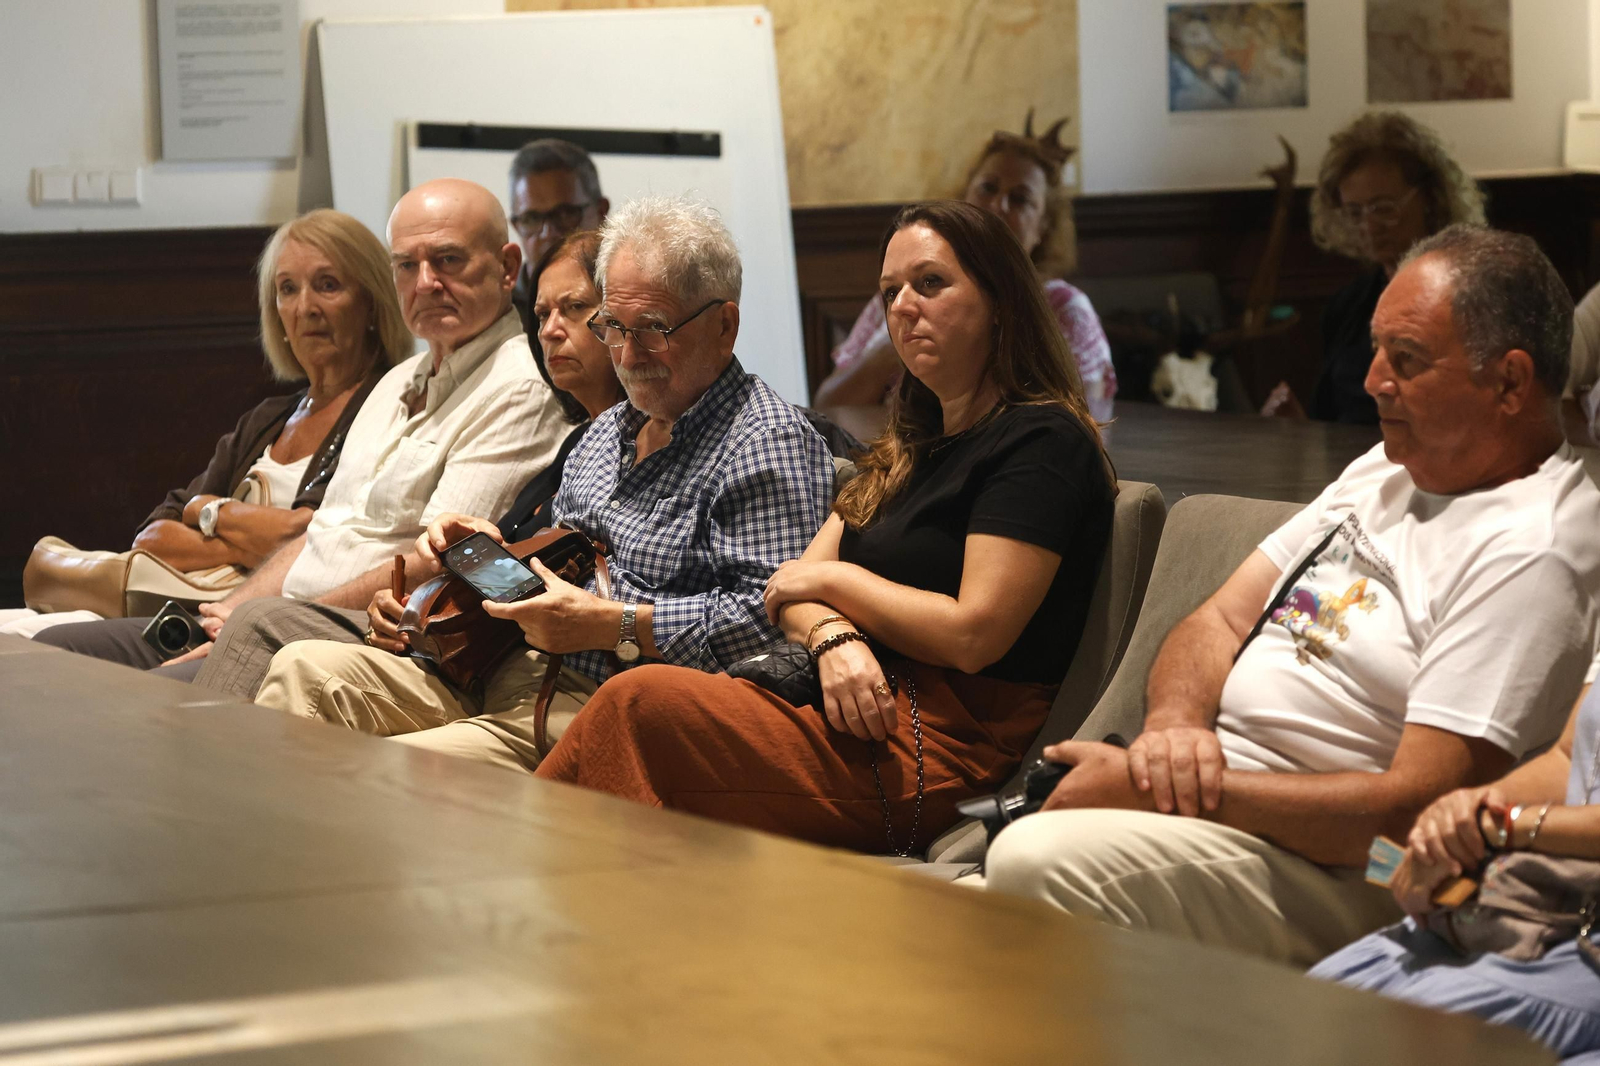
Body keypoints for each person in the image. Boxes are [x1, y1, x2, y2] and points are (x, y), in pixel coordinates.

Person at [984, 225, 1600, 968]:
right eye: (1376, 349)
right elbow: (1218, 619)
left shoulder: (1534, 546)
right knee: (977, 905)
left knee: (1033, 864)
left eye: (1406, 359)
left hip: (1363, 869)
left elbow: (1410, 815)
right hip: (1229, 811)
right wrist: (1175, 729)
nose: (1372, 380)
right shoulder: (1386, 469)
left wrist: (1171, 793)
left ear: (1509, 382)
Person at [534, 200, 1115, 856]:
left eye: (930, 283)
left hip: (940, 739)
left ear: (1001, 300)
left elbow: (972, 633)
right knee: (635, 712)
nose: (903, 307)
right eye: (890, 292)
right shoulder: (910, 445)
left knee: (637, 703)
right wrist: (832, 635)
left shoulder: (1041, 440)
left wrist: (835, 586)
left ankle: (541, 881)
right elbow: (785, 590)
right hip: (847, 703)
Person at [242, 196, 835, 767]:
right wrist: (464, 570)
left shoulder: (766, 441)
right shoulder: (607, 433)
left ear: (724, 326)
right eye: (614, 327)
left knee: (394, 773)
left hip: (617, 706)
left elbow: (768, 621)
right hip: (509, 668)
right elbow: (559, 574)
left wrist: (613, 622)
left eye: (653, 329)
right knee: (301, 670)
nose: (628, 356)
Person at [36, 179, 569, 674]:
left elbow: (435, 563)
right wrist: (233, 609)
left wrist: (263, 620)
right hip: (277, 616)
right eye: (407, 265)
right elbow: (321, 530)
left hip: (354, 636)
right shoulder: (397, 382)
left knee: (145, 699)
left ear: (507, 266)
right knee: (52, 653)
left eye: (447, 259)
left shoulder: (517, 387)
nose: (426, 282)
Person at [189, 229, 625, 700]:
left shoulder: (614, 437)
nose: (550, 330)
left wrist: (433, 586)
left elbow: (568, 594)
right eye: (541, 314)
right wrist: (413, 593)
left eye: (574, 308)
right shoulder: (581, 444)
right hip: (467, 652)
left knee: (266, 638)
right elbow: (515, 583)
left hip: (532, 676)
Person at [0, 210, 409, 639]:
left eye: (327, 285)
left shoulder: (385, 406)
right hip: (192, 602)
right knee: (14, 630)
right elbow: (154, 534)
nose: (305, 308)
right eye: (288, 289)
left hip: (261, 622)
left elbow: (304, 539)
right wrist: (241, 535)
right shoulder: (268, 417)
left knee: (45, 640)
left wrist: (208, 511)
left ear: (371, 303)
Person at [1309, 673, 1600, 1061]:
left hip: (1581, 950)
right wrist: (1458, 819)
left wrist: (1502, 826)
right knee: (1309, 1007)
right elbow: (1568, 759)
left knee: (1386, 1041)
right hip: (1531, 906)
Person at [812, 114, 1115, 425]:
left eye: (1020, 199)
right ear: (964, 198)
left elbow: (1085, 419)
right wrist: (893, 349)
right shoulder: (898, 296)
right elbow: (828, 405)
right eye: (988, 188)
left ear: (1043, 227)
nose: (998, 206)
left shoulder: (1065, 308)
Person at [1264, 111, 1486, 423]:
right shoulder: (1347, 307)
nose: (1369, 226)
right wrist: (1297, 425)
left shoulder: (1469, 297)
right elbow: (1328, 418)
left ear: (1430, 199)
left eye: (1384, 208)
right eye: (1355, 212)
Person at [507, 139, 609, 340]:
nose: (548, 232)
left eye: (565, 214)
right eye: (531, 219)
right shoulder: (497, 312)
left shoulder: (630, 299)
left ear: (601, 211)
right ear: (516, 225)